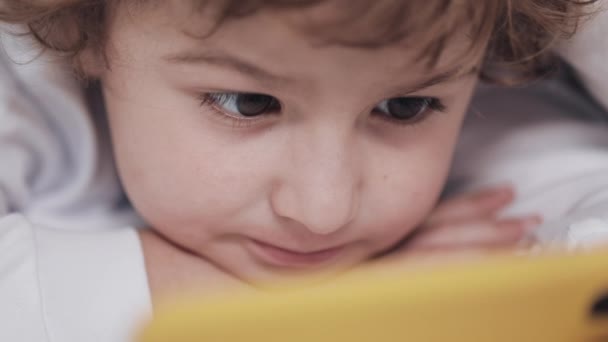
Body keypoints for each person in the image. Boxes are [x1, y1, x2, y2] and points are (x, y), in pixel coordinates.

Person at [0, 1, 594, 341]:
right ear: (86, 28)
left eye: (403, 108)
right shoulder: (21, 89)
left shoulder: (497, 83)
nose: (322, 211)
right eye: (248, 103)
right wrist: (355, 311)